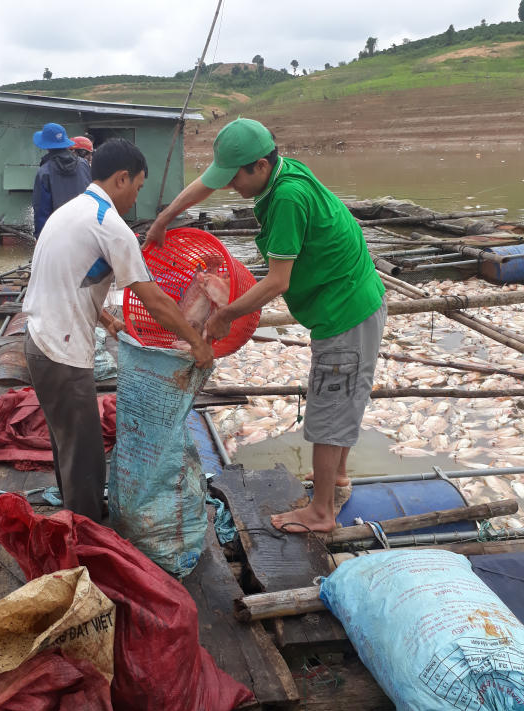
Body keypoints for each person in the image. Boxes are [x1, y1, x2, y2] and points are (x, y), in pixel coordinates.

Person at [145, 118, 386, 534]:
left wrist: (223, 315)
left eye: (235, 178)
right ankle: (339, 478)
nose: (230, 187)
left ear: (258, 165)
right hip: (353, 299)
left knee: (330, 402)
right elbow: (206, 183)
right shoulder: (280, 169)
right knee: (343, 395)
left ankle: (322, 512)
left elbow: (277, 281)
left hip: (345, 309)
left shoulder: (288, 198)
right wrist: (165, 218)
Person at [23, 137, 214, 522]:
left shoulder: (72, 211)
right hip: (61, 353)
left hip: (37, 341)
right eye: (139, 188)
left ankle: (74, 516)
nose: (137, 199)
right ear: (122, 179)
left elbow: (71, 282)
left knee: (68, 445)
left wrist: (109, 321)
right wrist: (196, 342)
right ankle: (88, 536)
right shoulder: (109, 225)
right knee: (87, 454)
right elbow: (155, 301)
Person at [32, 122, 91, 237]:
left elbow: (41, 210)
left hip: (58, 235)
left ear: (47, 145)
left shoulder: (44, 172)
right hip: (86, 231)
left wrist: (40, 237)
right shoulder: (84, 165)